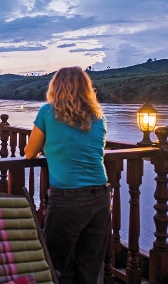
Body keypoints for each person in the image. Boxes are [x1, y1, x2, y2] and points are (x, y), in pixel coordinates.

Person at [25, 66, 110, 284]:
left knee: (56, 264)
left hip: (67, 197)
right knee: (90, 267)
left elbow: (29, 152)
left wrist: (47, 147)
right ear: (86, 88)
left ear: (56, 87)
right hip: (100, 195)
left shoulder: (47, 112)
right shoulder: (98, 117)